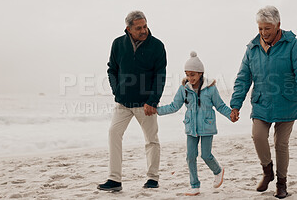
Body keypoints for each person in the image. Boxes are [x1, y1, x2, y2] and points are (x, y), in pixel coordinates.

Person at [230, 6, 297, 199]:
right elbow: (243, 78)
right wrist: (236, 105)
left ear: (278, 25)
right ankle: (267, 172)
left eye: (267, 28)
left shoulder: (292, 44)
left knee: (281, 144)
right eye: (260, 28)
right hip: (262, 103)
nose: (263, 33)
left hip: (287, 102)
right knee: (258, 136)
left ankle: (281, 183)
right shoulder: (252, 48)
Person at [97, 11, 167, 192]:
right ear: (129, 29)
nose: (144, 30)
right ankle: (114, 180)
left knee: (151, 139)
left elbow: (160, 76)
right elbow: (112, 69)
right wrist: (116, 89)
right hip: (123, 102)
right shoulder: (118, 44)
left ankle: (152, 178)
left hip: (146, 104)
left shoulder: (157, 46)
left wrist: (153, 100)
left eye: (145, 26)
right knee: (113, 133)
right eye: (139, 28)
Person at [157, 51, 231, 196]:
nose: (190, 78)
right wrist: (157, 111)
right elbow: (174, 106)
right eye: (187, 74)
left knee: (206, 155)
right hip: (191, 128)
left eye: (193, 74)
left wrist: (231, 115)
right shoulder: (184, 89)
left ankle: (218, 171)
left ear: (200, 73)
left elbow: (220, 106)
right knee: (190, 156)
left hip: (207, 126)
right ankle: (194, 185)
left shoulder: (210, 89)